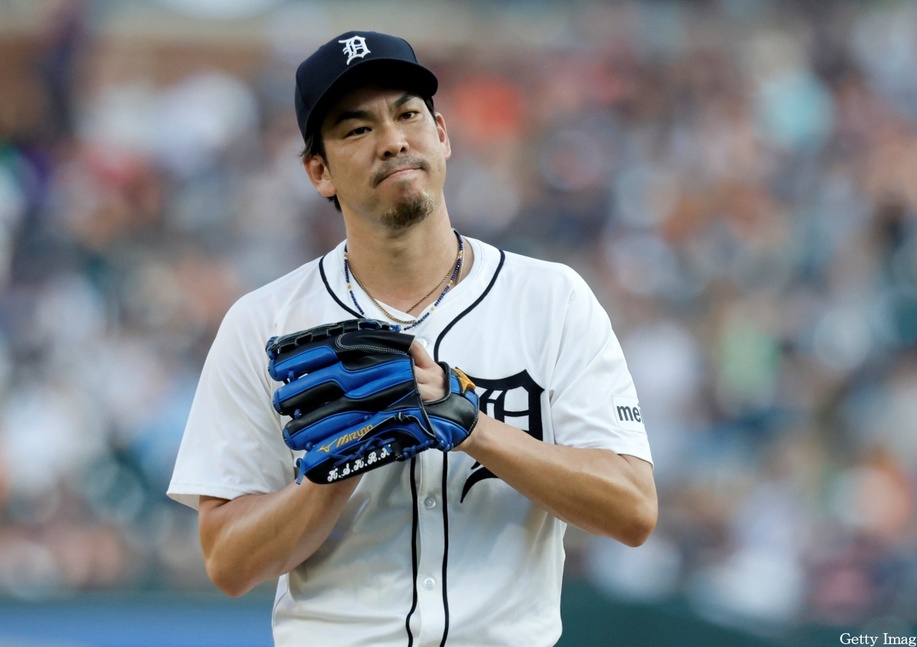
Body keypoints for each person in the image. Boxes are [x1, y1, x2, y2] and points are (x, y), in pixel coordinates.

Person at [167, 30, 657, 647]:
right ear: (319, 171)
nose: (393, 139)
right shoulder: (263, 322)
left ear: (442, 134)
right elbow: (229, 564)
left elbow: (633, 509)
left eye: (407, 114)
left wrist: (473, 425)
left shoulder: (550, 299)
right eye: (356, 129)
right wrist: (339, 466)